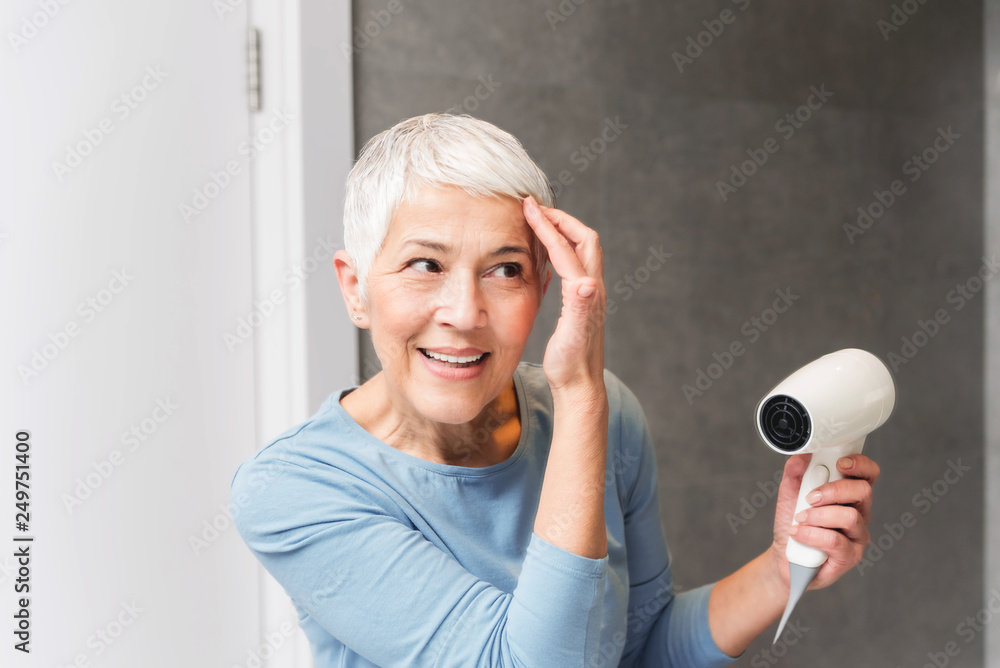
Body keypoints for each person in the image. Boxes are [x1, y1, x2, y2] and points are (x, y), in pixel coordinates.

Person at [230, 113, 880, 667]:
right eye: (425, 264)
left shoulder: (604, 414)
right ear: (355, 289)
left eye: (505, 270)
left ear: (544, 289)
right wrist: (581, 400)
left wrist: (779, 567)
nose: (464, 311)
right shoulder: (293, 490)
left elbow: (643, 647)